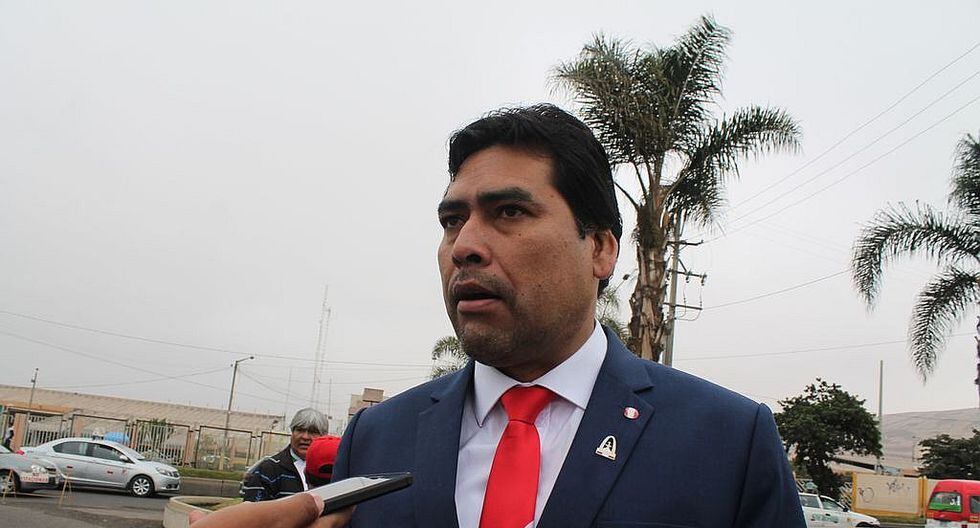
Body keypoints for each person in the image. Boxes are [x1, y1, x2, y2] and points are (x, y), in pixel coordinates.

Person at [332, 104, 806, 527]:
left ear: (599, 249)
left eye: (510, 212)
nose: (464, 246)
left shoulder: (729, 442)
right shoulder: (375, 438)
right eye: (453, 221)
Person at [241, 408, 328, 501]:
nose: (305, 437)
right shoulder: (269, 469)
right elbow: (253, 507)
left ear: (324, 437)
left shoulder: (330, 470)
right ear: (292, 432)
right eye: (300, 430)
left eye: (313, 432)